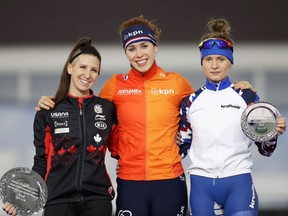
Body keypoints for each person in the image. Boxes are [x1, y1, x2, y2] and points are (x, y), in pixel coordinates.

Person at [33, 16, 255, 216]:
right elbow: (85, 111)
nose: (139, 54)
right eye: (132, 49)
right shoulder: (114, 86)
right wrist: (52, 102)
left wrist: (236, 89)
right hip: (131, 182)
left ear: (155, 48)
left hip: (170, 180)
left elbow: (207, 103)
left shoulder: (177, 83)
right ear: (126, 53)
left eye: (144, 46)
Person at [179, 18, 287, 216]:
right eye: (208, 59)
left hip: (239, 183)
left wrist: (273, 134)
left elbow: (266, 149)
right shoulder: (190, 102)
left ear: (230, 62)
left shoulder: (247, 97)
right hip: (201, 186)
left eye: (220, 59)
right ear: (202, 63)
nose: (214, 65)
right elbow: (179, 149)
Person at [2, 37, 118, 216]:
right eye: (83, 67)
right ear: (70, 68)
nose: (88, 75)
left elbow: (123, 147)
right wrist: (22, 199)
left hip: (97, 199)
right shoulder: (47, 110)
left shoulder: (107, 108)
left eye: (94, 70)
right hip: (58, 199)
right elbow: (42, 161)